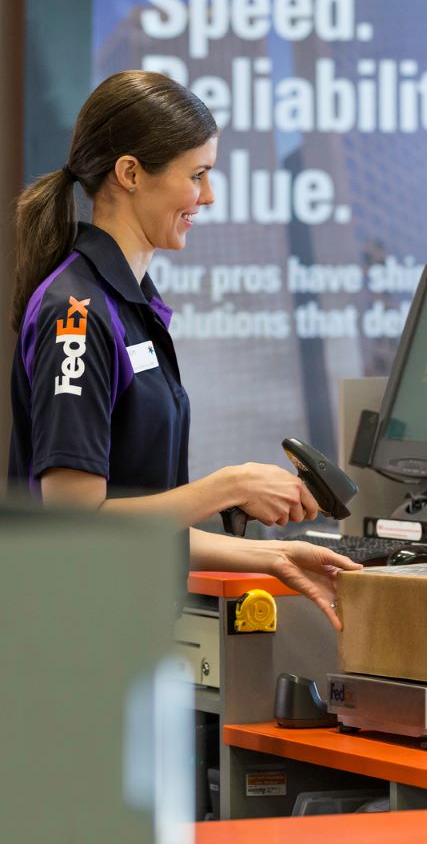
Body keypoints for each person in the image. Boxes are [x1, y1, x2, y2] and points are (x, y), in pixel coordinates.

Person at [7, 70, 360, 628]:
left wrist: (274, 556)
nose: (209, 196)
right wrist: (230, 486)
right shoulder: (77, 314)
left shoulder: (130, 303)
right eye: (197, 175)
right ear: (130, 173)